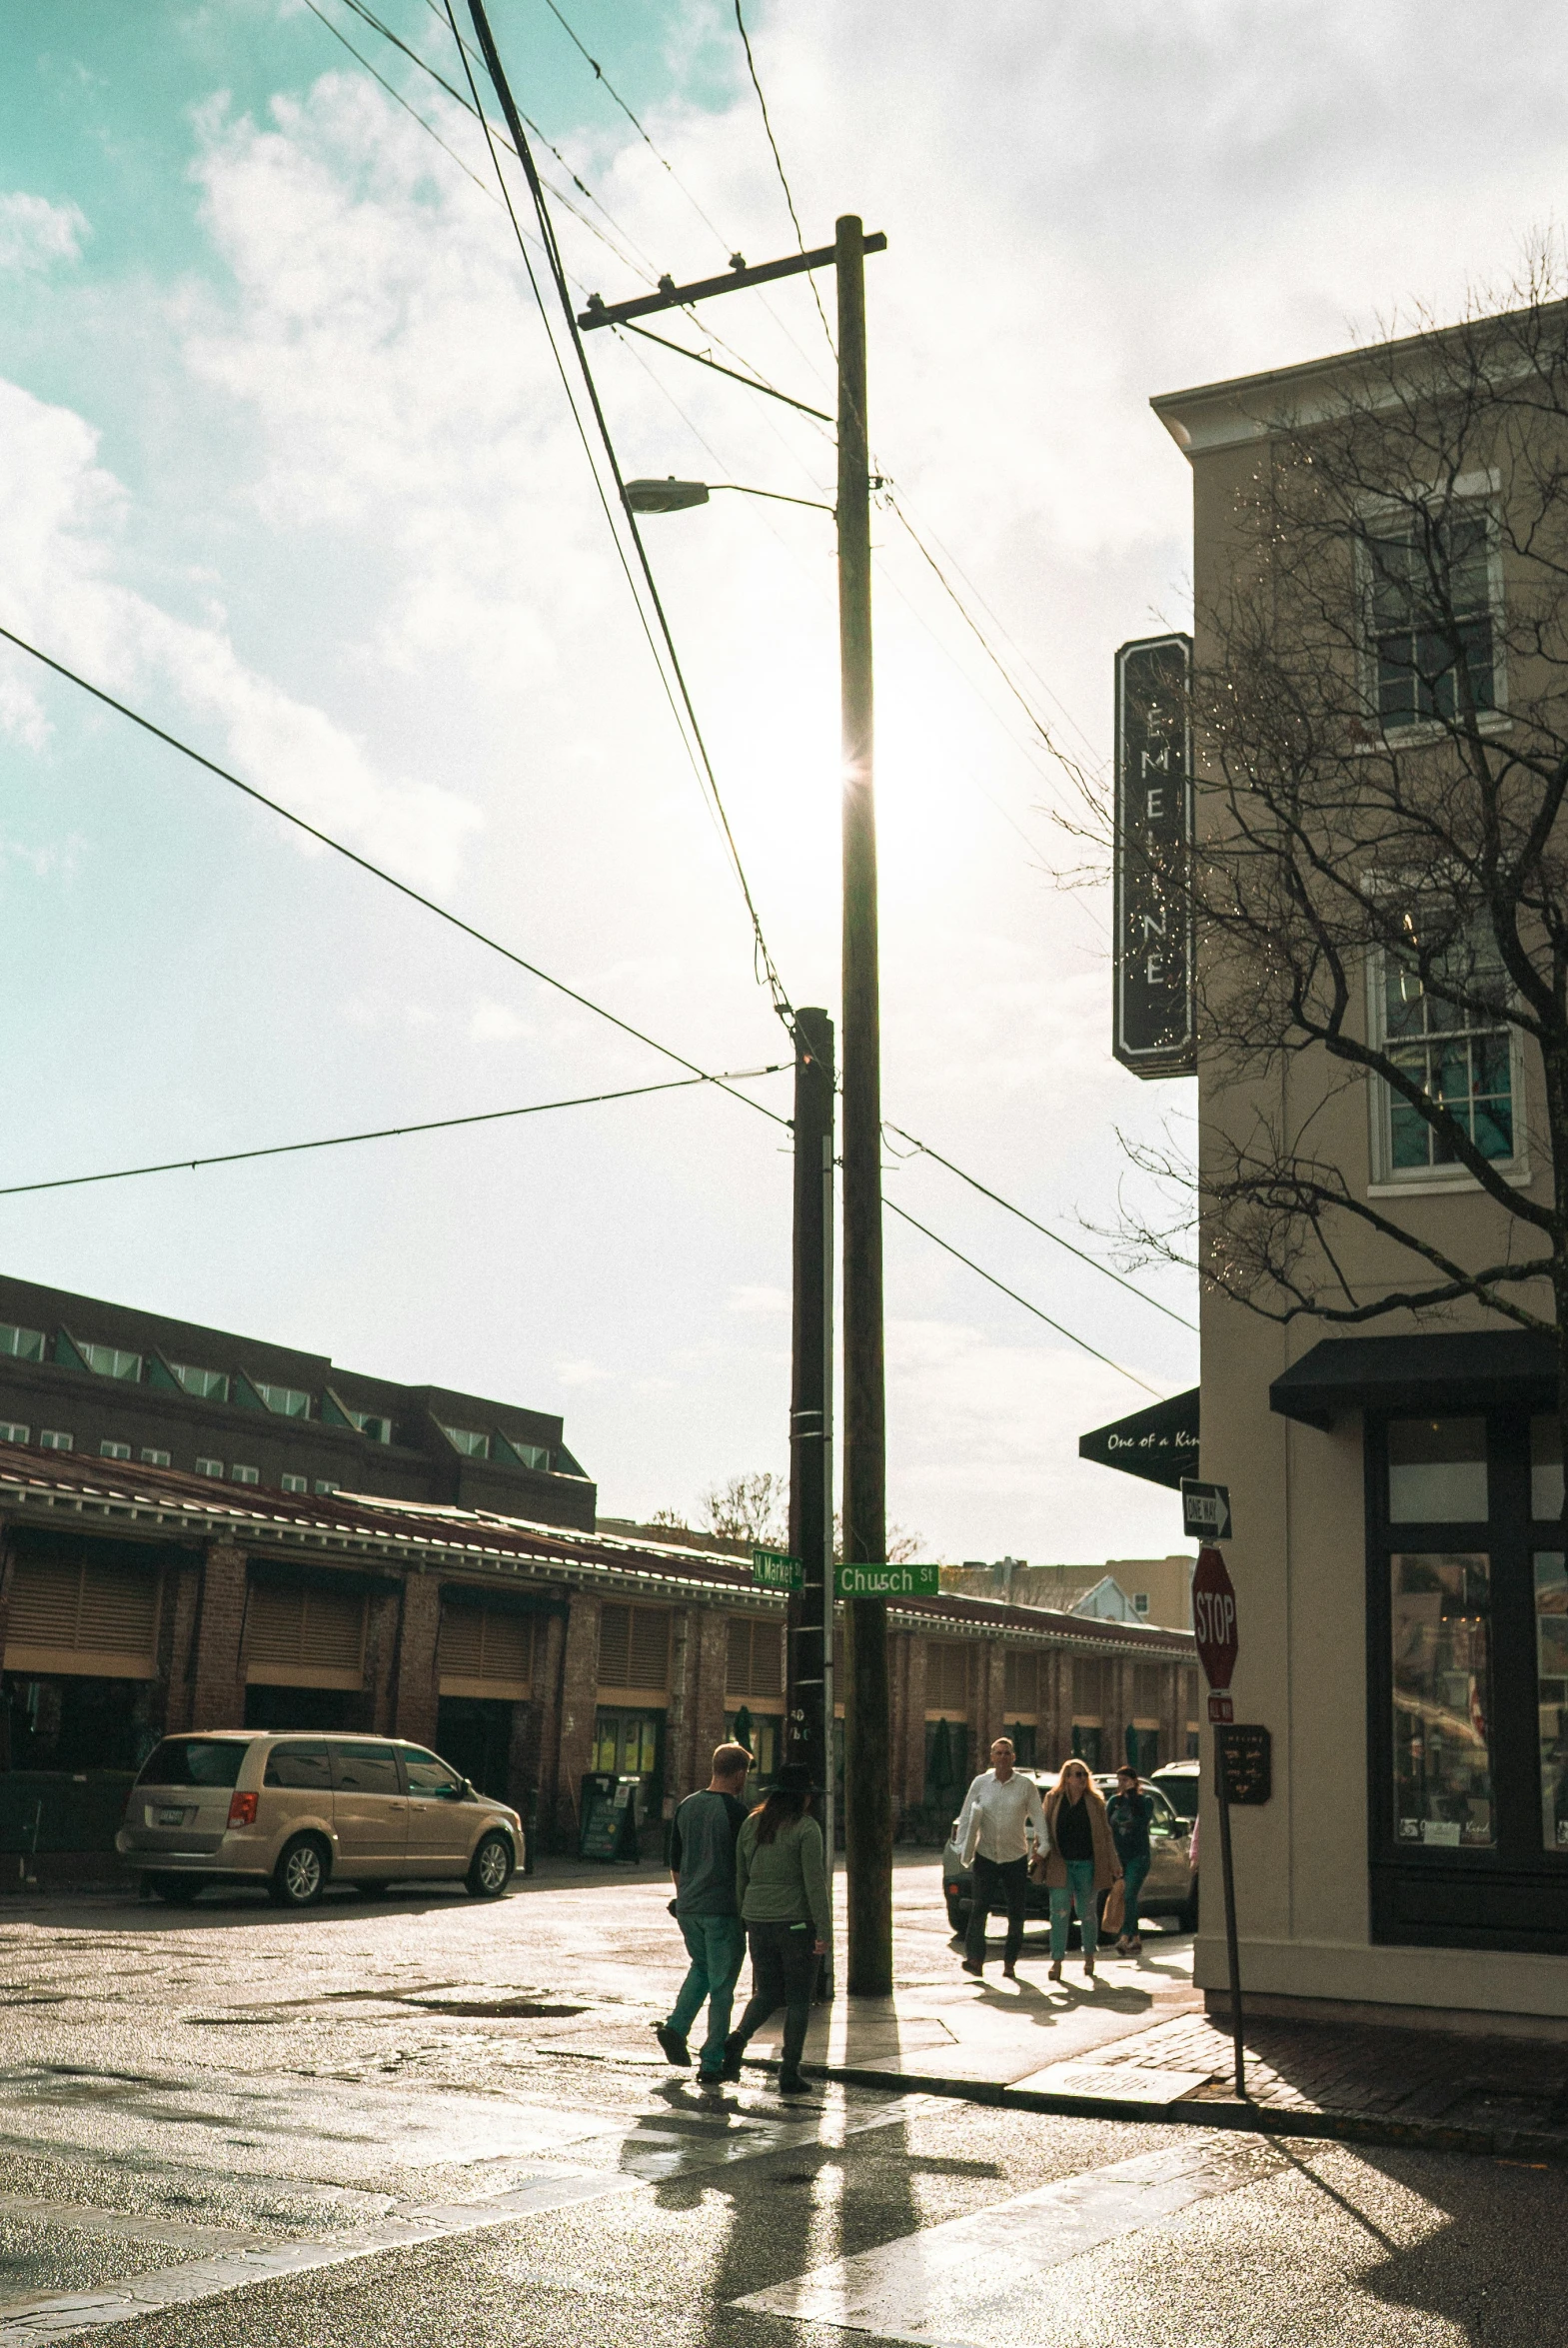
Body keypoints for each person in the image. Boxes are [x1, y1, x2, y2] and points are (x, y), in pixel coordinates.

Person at [720, 1760, 830, 2097]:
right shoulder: (806, 1828)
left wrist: (744, 1915)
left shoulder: (752, 1823)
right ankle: (789, 2071)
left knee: (767, 1992)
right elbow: (815, 1884)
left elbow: (741, 1874)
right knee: (799, 2000)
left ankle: (738, 2037)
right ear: (803, 1798)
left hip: (758, 1920)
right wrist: (825, 1931)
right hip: (796, 1922)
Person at [655, 1741, 753, 2084]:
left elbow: (675, 1863)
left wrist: (683, 1898)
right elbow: (745, 1867)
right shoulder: (738, 1813)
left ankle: (676, 2027)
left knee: (701, 1968)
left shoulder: (687, 1806)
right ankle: (711, 2061)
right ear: (739, 1774)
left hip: (689, 1908)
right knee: (722, 1986)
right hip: (722, 1909)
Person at [954, 1736, 1049, 1979]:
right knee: (979, 1908)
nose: (1003, 1757)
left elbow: (1039, 1818)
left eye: (1007, 1753)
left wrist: (1043, 1847)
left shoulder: (1025, 1785)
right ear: (992, 1757)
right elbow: (966, 1815)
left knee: (1016, 1912)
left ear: (1013, 1757)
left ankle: (1010, 1961)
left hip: (1015, 1858)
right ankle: (975, 1959)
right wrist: (962, 1846)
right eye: (999, 1753)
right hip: (985, 1855)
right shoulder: (981, 1783)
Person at [1042, 1757, 1121, 1981]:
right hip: (1061, 1863)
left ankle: (1089, 1956)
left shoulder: (1095, 1802)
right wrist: (1040, 1854)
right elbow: (1044, 1829)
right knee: (1058, 1913)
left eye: (1084, 1774)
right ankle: (1057, 1961)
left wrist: (1114, 1863)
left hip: (1087, 1864)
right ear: (1066, 1778)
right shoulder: (1053, 1799)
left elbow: (1106, 1835)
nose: (1082, 1778)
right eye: (1077, 1774)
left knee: (1087, 1913)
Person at [1105, 1762, 1154, 1955]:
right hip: (1120, 1856)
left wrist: (1133, 1796)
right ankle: (1136, 1939)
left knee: (1129, 1894)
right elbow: (1106, 1826)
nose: (1121, 1784)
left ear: (1134, 1781)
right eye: (1119, 1780)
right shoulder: (1114, 1802)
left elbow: (1142, 1821)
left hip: (1138, 1855)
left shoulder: (1145, 1801)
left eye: (1125, 1780)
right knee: (1126, 1896)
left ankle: (1125, 1937)